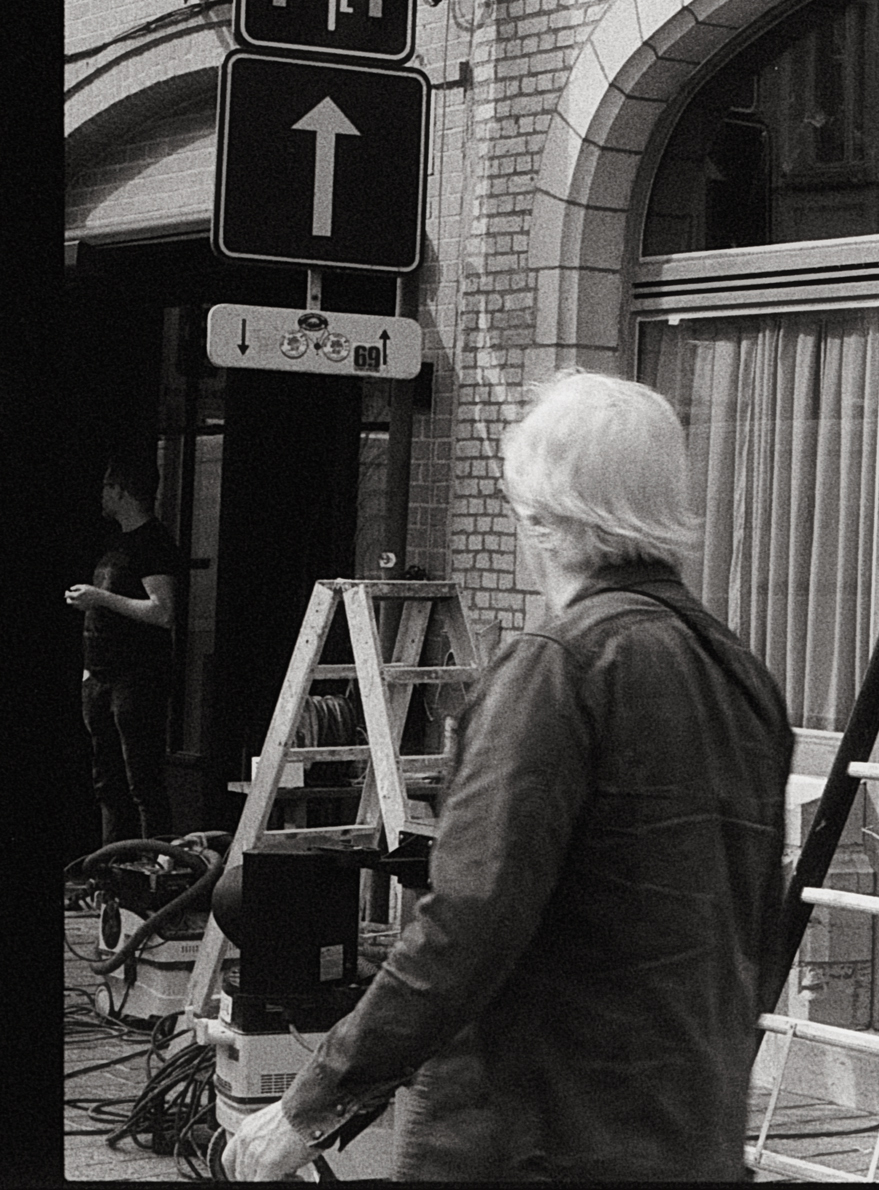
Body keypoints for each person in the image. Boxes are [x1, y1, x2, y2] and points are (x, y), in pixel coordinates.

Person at [226, 371, 793, 1181]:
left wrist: (309, 1107)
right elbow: (756, 934)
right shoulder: (743, 676)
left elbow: (464, 925)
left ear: (542, 516)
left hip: (535, 1144)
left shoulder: (557, 667)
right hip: (691, 1140)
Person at [67, 457, 184, 846]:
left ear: (121, 491)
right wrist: (88, 674)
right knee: (108, 784)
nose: (101, 495)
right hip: (100, 677)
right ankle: (113, 872)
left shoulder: (153, 543)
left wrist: (99, 596)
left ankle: (157, 871)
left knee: (142, 781)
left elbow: (162, 611)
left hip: (137, 679)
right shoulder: (117, 541)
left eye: (106, 487)